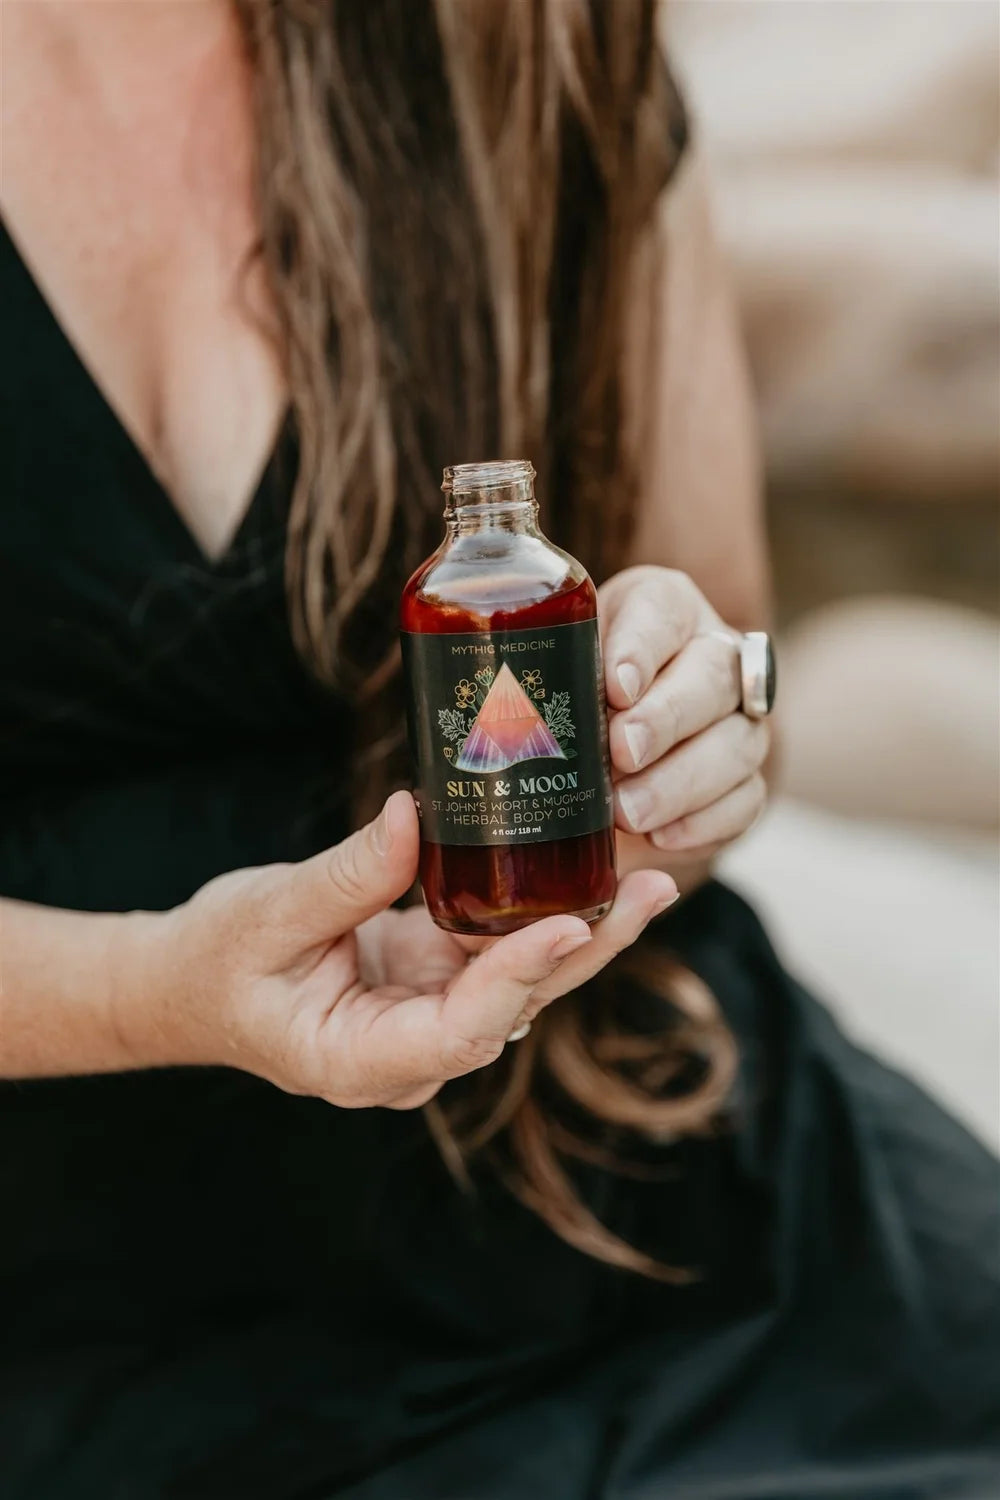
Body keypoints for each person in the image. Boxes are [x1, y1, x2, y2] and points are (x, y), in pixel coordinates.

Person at [0, 4, 996, 1497]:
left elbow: (730, 661)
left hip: (624, 1190)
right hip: (82, 1310)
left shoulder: (540, 39)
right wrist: (155, 987)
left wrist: (694, 729)